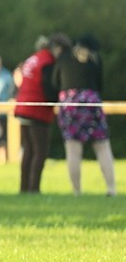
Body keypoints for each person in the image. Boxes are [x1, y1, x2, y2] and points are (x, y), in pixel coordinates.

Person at [53, 35, 116, 196]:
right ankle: (111, 188)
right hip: (92, 101)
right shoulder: (96, 60)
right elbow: (100, 84)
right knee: (102, 146)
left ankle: (77, 191)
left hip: (70, 103)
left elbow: (55, 81)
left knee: (73, 149)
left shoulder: (65, 57)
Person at [14, 35, 67, 194]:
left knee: (29, 150)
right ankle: (34, 188)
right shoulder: (47, 62)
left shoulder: (34, 58)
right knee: (40, 151)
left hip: (23, 107)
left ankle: (24, 188)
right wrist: (57, 98)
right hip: (37, 109)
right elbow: (48, 88)